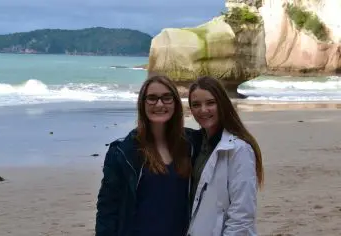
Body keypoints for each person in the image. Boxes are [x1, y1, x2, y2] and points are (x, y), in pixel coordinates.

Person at [95, 75, 193, 236]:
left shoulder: (191, 145)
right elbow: (107, 208)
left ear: (175, 103)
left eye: (167, 98)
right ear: (142, 104)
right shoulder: (122, 152)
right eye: (152, 98)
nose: (159, 104)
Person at [186, 76, 264, 236]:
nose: (203, 110)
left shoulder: (239, 150)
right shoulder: (195, 146)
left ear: (222, 104)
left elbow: (242, 216)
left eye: (210, 103)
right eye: (196, 105)